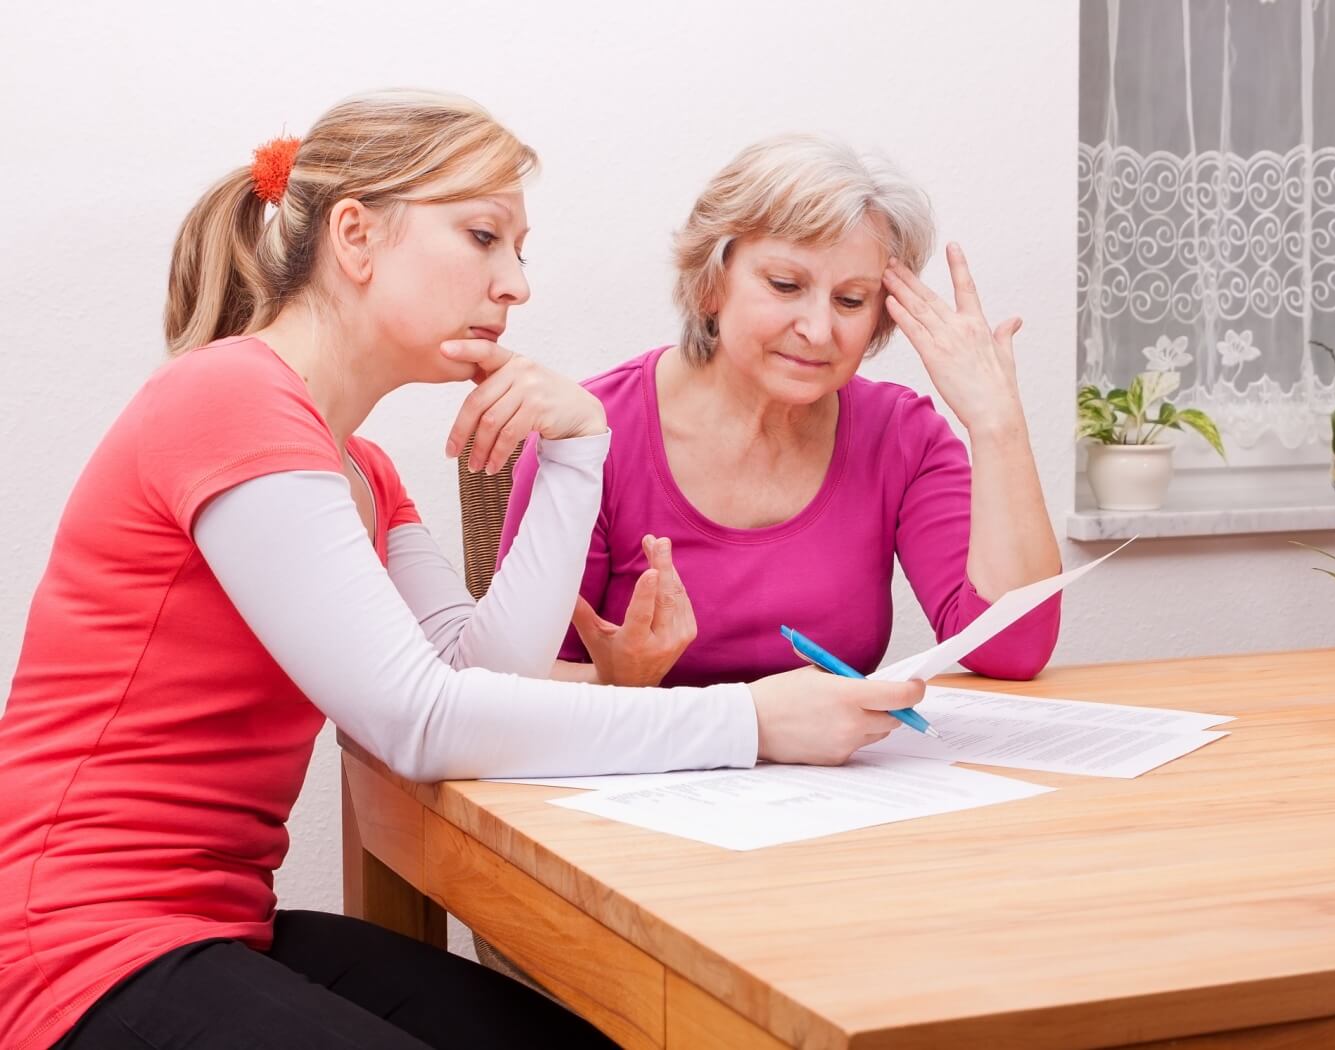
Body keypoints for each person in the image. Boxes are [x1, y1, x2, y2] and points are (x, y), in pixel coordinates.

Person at [0, 92, 923, 1050]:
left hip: (214, 923)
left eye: (519, 250)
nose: (515, 284)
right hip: (70, 950)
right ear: (355, 237)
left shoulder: (362, 469)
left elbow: (476, 675)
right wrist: (754, 720)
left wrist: (578, 454)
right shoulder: (228, 396)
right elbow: (419, 722)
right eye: (485, 237)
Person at [500, 134, 1062, 688]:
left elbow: (1011, 649)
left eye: (850, 300)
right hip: (640, 771)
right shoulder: (590, 439)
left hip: (834, 777)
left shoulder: (901, 437)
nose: (819, 331)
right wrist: (637, 687)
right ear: (710, 284)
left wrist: (997, 424)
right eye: (786, 285)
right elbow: (511, 682)